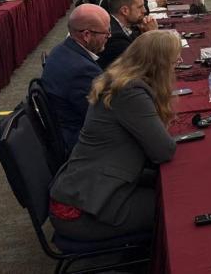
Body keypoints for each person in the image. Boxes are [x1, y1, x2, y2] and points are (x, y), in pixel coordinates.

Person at [49, 31, 179, 242]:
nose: (175, 69)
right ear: (159, 65)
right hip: (85, 211)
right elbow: (163, 151)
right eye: (174, 62)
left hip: (90, 189)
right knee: (179, 202)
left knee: (169, 186)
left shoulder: (119, 80)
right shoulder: (130, 92)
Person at [41, 5, 109, 151]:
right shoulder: (82, 70)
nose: (108, 37)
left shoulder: (62, 49)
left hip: (65, 128)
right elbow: (104, 117)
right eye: (106, 33)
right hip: (81, 142)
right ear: (86, 35)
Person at [98, 0, 158, 70]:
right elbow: (144, 67)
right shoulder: (116, 39)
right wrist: (153, 35)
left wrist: (143, 33)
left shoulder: (123, 25)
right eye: (140, 7)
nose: (144, 10)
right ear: (125, 11)